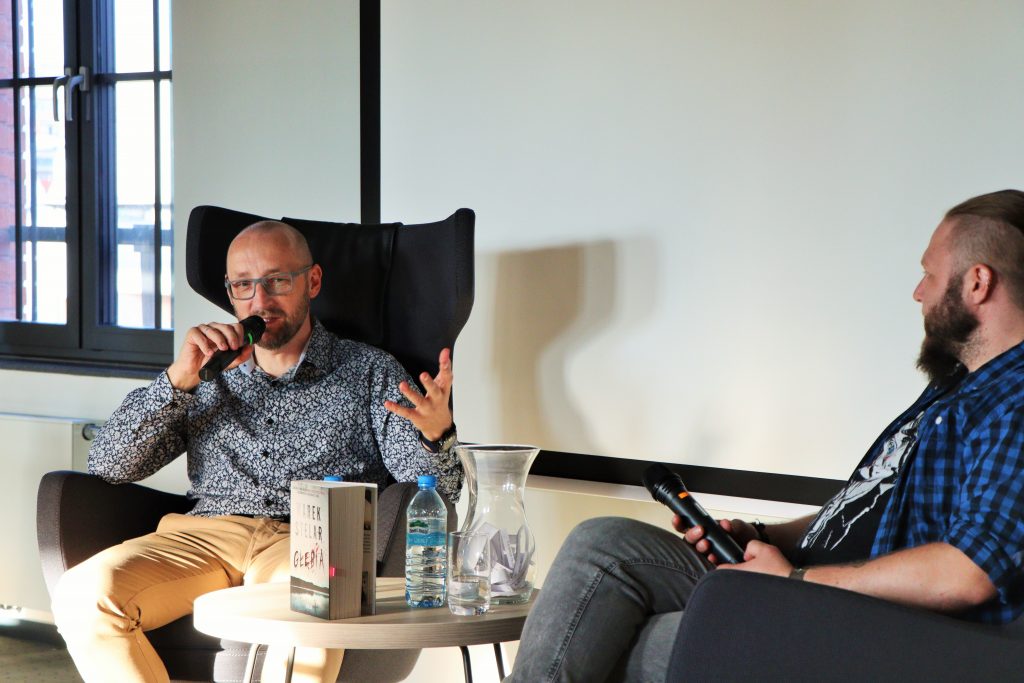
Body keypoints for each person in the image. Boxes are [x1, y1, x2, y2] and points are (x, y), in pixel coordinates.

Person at [507, 189, 1024, 682]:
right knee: (602, 544)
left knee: (633, 641)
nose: (918, 292)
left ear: (978, 283)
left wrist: (792, 582)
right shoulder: (953, 388)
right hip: (808, 585)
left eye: (929, 274)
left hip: (874, 626)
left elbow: (968, 572)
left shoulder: (1014, 401)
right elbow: (861, 510)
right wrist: (763, 537)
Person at [51, 220, 463, 683]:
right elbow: (107, 464)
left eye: (276, 281)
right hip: (205, 536)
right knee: (82, 595)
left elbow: (434, 491)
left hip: (313, 539)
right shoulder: (205, 372)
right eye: (243, 285)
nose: (259, 301)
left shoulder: (371, 371)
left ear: (312, 281)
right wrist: (176, 382)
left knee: (319, 600)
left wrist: (436, 436)